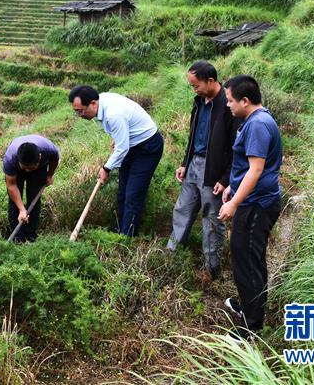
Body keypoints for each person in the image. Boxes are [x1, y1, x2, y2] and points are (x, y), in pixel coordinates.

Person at [218, 75, 283, 337]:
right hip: (252, 199)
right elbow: (249, 166)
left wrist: (234, 202)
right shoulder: (256, 120)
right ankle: (249, 307)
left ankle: (252, 326)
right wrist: (234, 185)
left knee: (248, 259)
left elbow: (256, 170)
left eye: (231, 101)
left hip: (257, 204)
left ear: (245, 101)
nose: (228, 106)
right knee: (245, 256)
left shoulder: (257, 125)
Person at [167, 61, 239, 282]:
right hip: (194, 164)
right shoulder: (198, 102)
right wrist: (184, 163)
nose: (194, 89)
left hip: (214, 169)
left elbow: (237, 146)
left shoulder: (228, 105)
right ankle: (170, 255)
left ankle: (212, 268)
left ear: (211, 80)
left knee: (211, 218)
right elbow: (193, 136)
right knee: (183, 208)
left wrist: (226, 178)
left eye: (196, 85)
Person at [69, 85, 163, 237]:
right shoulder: (102, 101)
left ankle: (126, 237)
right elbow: (122, 137)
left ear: (93, 103)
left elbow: (122, 148)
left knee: (133, 193)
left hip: (147, 148)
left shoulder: (113, 114)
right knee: (123, 191)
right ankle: (121, 228)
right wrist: (117, 137)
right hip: (131, 145)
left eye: (81, 110)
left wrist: (106, 168)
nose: (79, 115)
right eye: (76, 111)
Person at [3, 135, 60, 243]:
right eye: (25, 168)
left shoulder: (48, 150)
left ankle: (31, 235)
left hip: (40, 169)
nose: (28, 171)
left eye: (31, 168)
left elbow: (55, 159)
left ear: (39, 157)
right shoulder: (10, 159)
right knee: (14, 201)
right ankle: (17, 237)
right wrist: (21, 209)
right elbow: (11, 186)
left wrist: (49, 175)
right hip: (17, 171)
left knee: (34, 196)